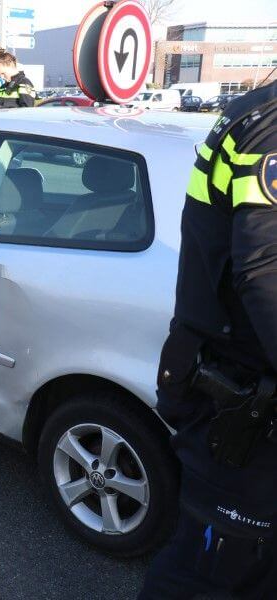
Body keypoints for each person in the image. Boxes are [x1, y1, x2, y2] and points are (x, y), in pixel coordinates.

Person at [139, 80, 277, 599]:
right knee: (214, 569)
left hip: (241, 392)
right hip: (238, 407)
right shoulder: (270, 127)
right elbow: (266, 270)